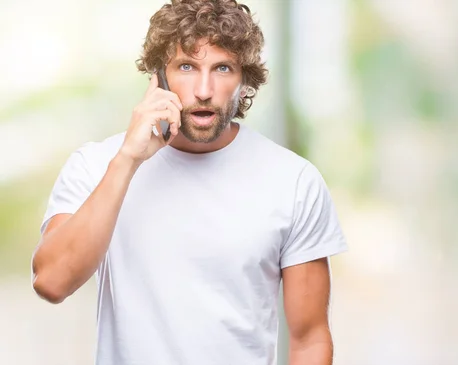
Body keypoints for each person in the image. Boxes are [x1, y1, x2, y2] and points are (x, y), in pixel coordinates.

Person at [30, 0, 348, 364]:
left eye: (222, 68)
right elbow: (51, 282)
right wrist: (128, 160)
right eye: (186, 66)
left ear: (245, 81)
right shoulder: (97, 164)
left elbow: (309, 340)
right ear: (159, 77)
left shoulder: (294, 182)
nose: (203, 89)